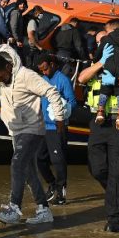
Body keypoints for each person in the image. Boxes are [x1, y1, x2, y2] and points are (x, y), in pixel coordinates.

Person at [0, 45, 65, 225]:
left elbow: (51, 92)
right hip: (15, 129)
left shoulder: (26, 75)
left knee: (17, 163)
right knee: (28, 170)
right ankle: (43, 210)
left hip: (31, 128)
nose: (1, 81)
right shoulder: (0, 76)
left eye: (2, 77)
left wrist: (59, 118)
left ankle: (14, 208)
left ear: (8, 67)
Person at [77, 19, 119, 233]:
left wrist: (115, 81)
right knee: (97, 168)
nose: (101, 44)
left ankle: (115, 219)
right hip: (98, 121)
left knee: (118, 171)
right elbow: (81, 78)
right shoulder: (99, 61)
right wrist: (100, 63)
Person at [35, 53, 76, 205]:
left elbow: (72, 102)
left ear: (52, 64)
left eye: (45, 69)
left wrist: (63, 110)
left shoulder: (63, 80)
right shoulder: (42, 80)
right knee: (39, 158)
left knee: (58, 160)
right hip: (43, 126)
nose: (44, 72)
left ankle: (61, 191)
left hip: (57, 126)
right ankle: (52, 184)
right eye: (41, 70)